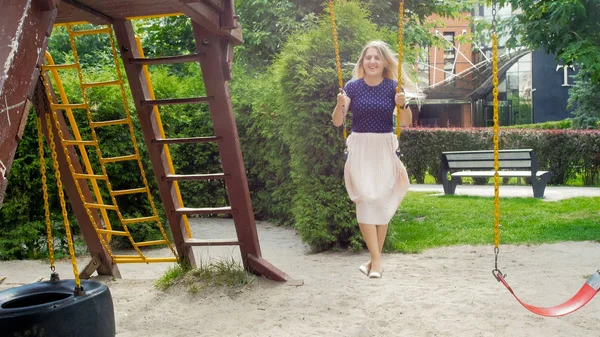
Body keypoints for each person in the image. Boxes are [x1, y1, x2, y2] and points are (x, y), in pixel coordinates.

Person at [331, 40, 421, 279]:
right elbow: (338, 121)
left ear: (383, 63)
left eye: (376, 58)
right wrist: (339, 105)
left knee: (380, 200)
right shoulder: (352, 87)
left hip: (383, 146)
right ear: (362, 62)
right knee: (365, 199)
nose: (372, 61)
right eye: (368, 57)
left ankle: (374, 261)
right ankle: (377, 261)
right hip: (361, 146)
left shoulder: (393, 87)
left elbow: (406, 122)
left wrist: (404, 104)